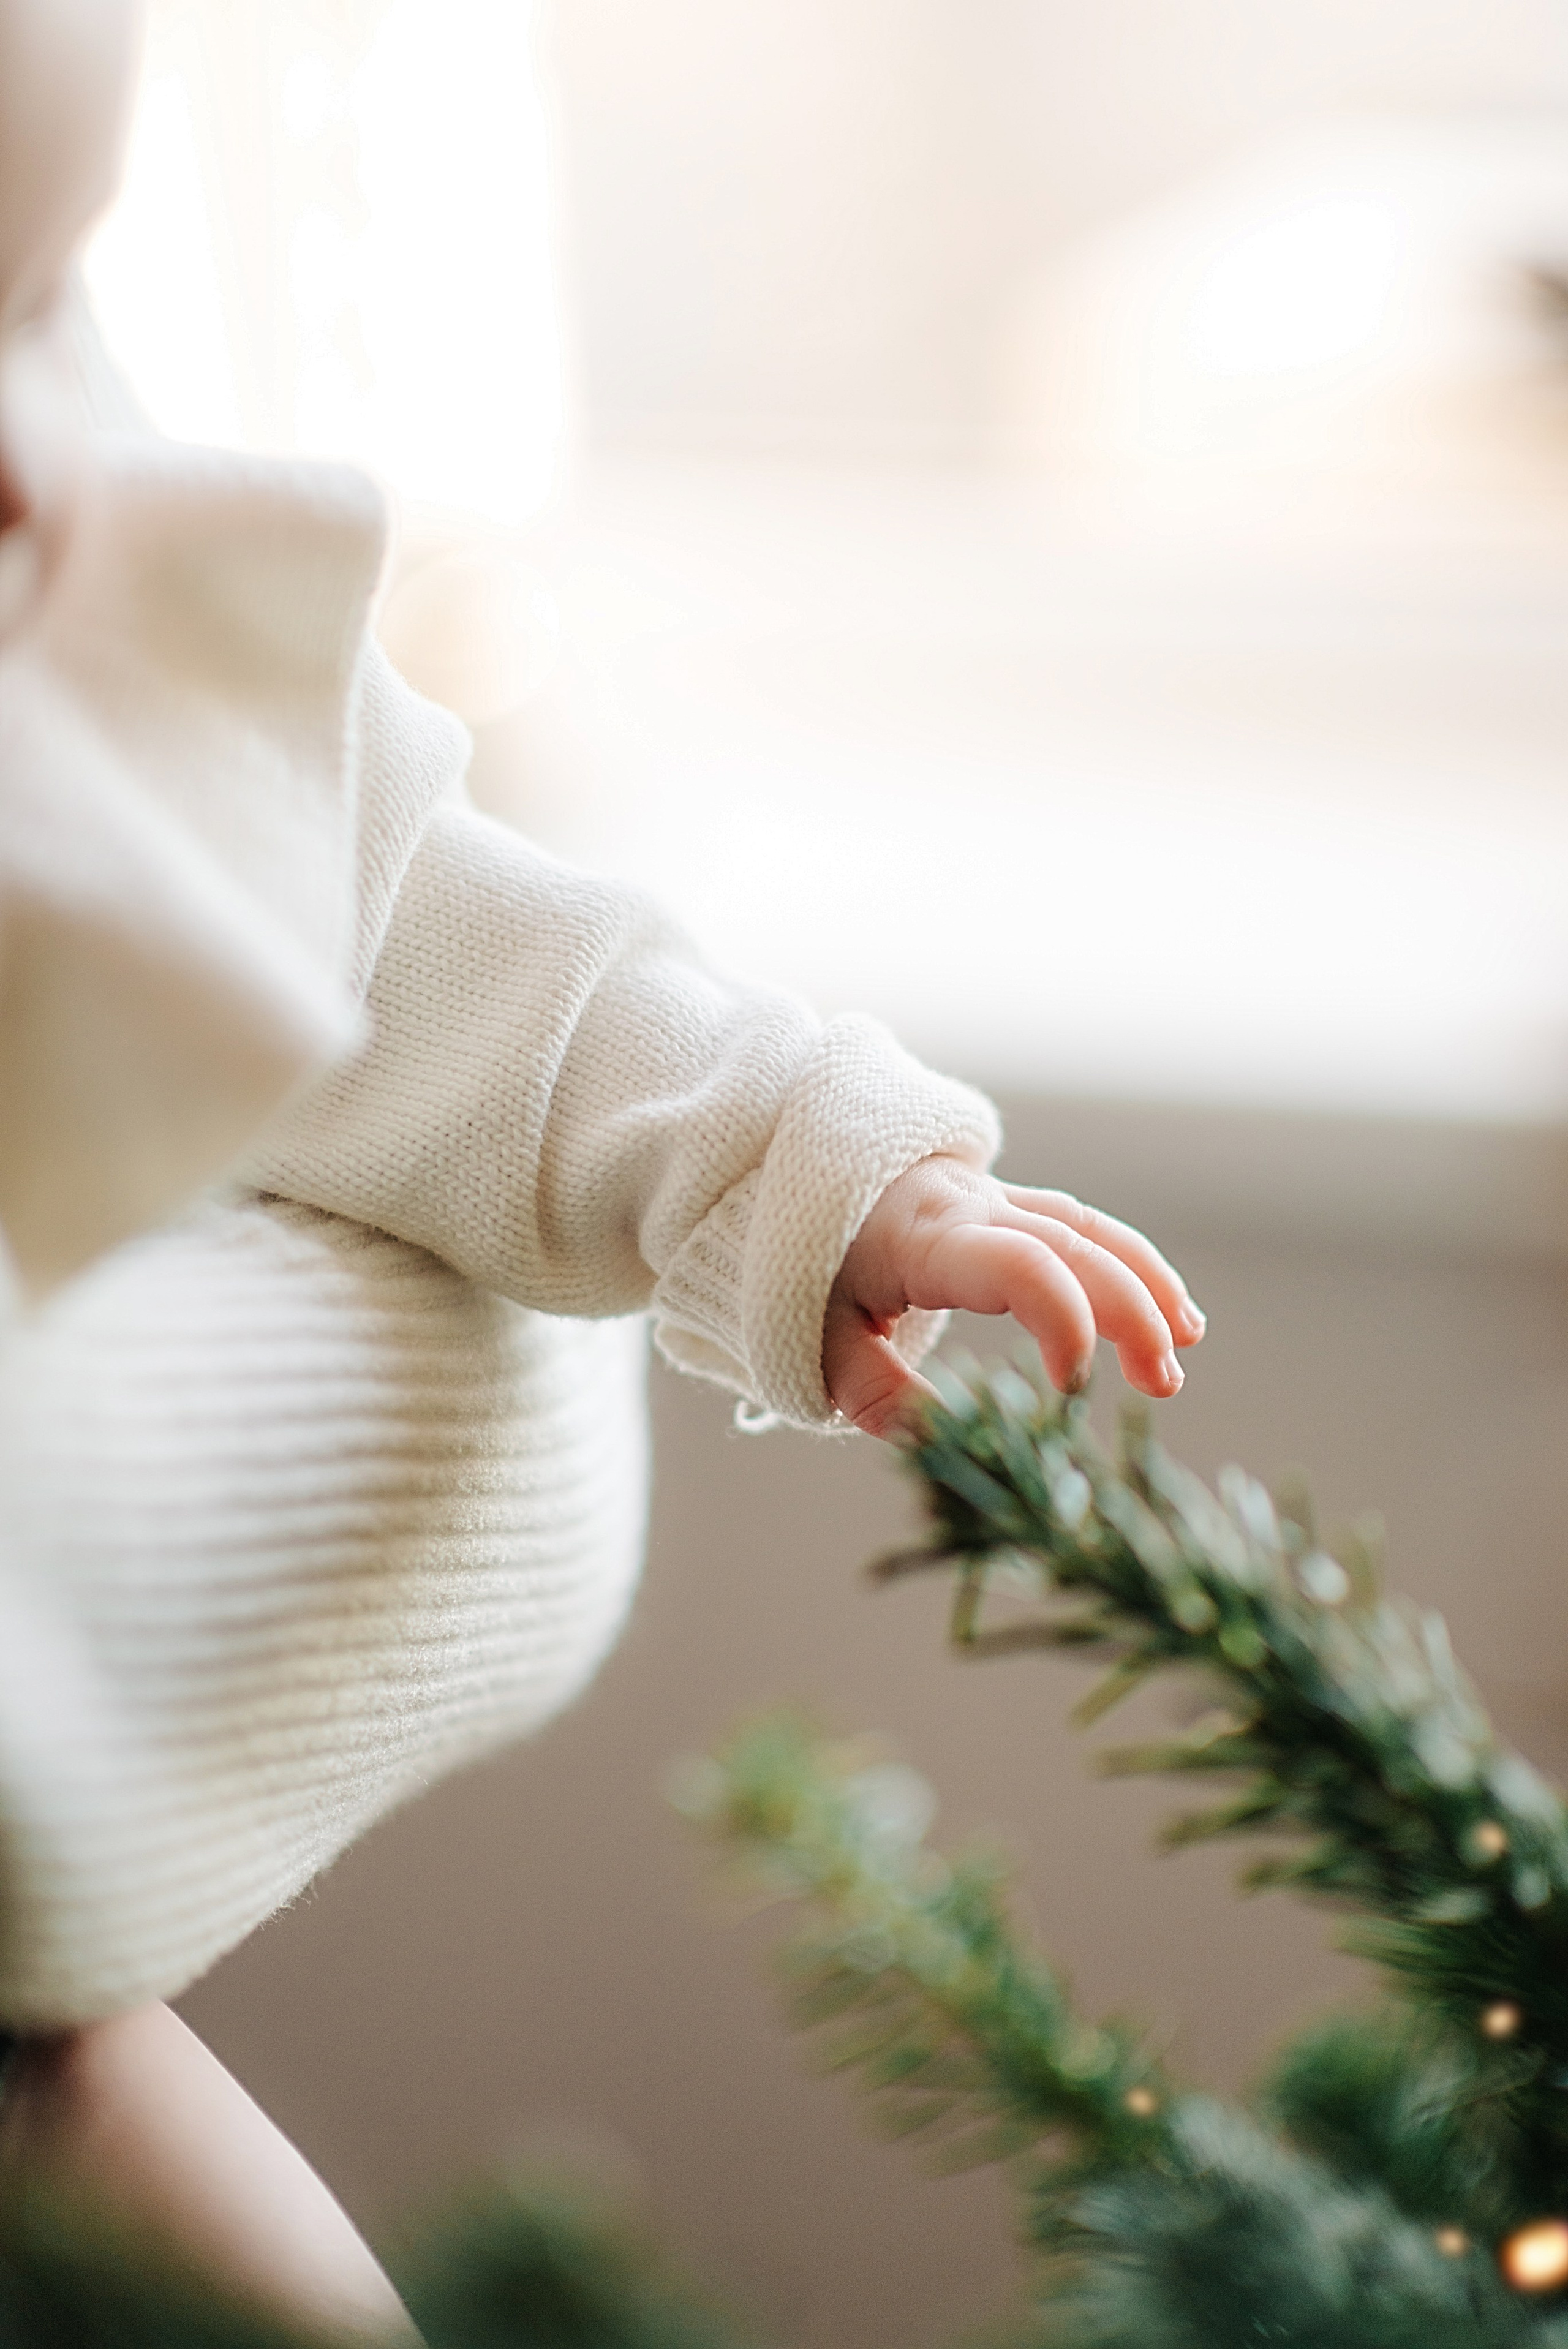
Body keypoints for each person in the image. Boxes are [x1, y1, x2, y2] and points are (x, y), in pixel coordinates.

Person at [0, 0, 1205, 2335]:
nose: (25, 463)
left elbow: (422, 924)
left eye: (41, 298)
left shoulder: (81, 590)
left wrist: (795, 1163)